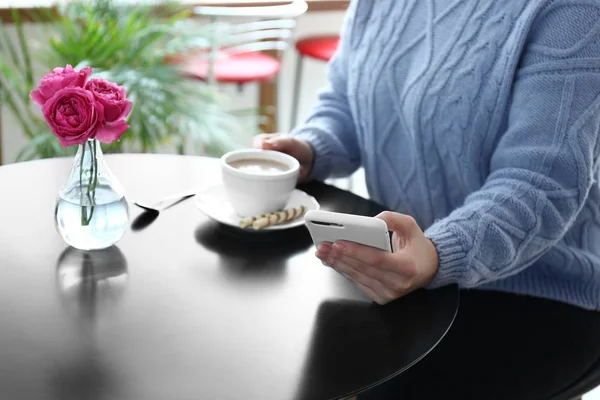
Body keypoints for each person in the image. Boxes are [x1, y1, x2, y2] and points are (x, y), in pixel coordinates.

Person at [254, 0, 600, 398]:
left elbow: (540, 182)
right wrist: (311, 148)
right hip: (405, 268)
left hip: (537, 291)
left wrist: (438, 252)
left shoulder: (575, 11)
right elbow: (345, 103)